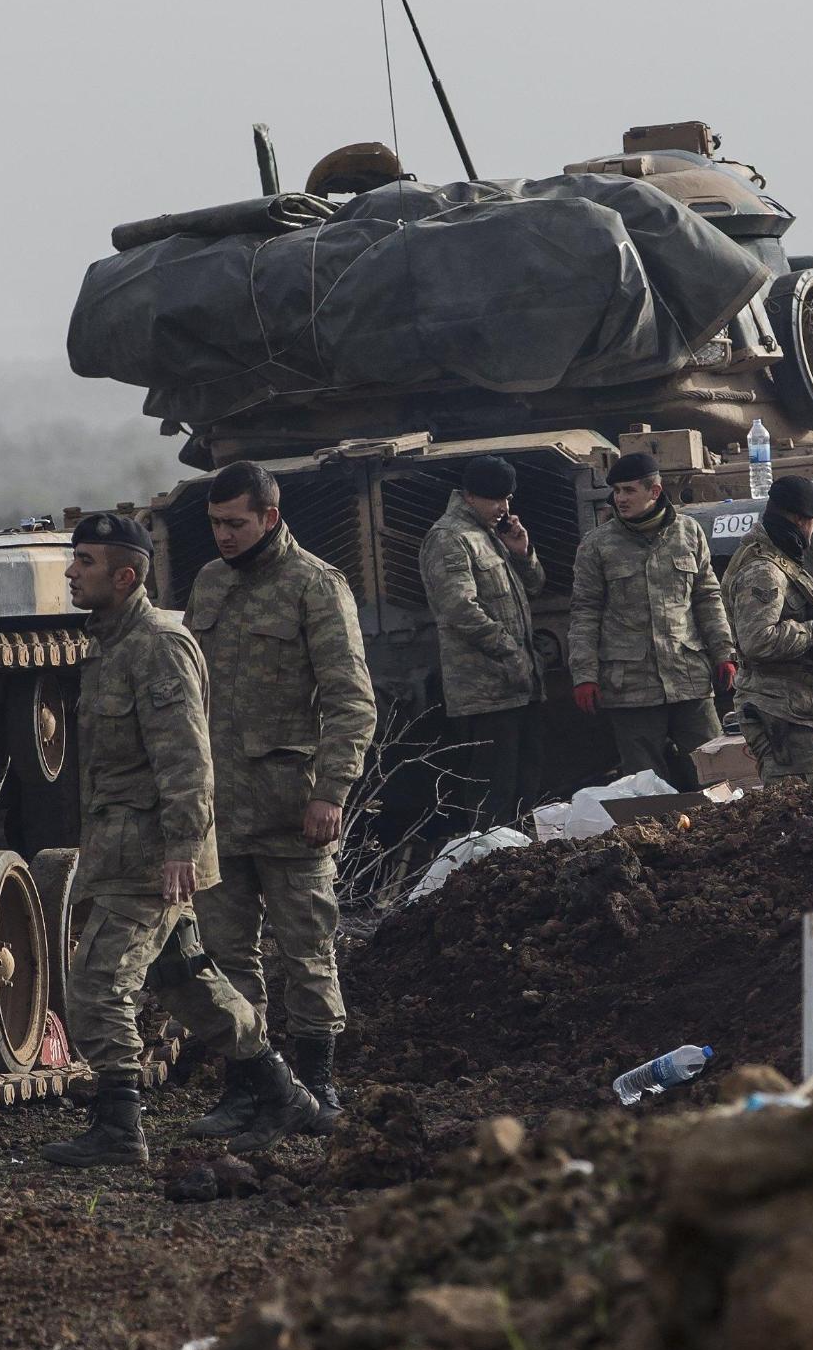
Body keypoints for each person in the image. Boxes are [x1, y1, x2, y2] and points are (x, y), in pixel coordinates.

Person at [42, 511, 321, 1168]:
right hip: (125, 847)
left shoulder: (156, 643)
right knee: (186, 983)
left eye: (84, 561)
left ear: (125, 574)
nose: (70, 572)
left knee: (98, 982)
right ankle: (283, 1093)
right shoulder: (111, 642)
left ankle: (120, 1126)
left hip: (149, 856)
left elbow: (187, 761)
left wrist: (181, 849)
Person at [182, 462, 377, 1136]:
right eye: (215, 523)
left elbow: (351, 700)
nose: (223, 536)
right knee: (229, 958)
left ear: (270, 515)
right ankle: (249, 1086)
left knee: (307, 951)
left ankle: (318, 1083)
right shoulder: (209, 583)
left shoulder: (315, 586)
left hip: (293, 810)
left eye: (235, 522)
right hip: (218, 813)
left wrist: (331, 791)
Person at [568, 451, 737, 780]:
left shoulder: (688, 533)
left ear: (654, 492)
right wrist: (584, 674)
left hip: (688, 676)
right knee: (645, 785)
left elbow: (706, 597)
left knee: (713, 769)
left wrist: (724, 653)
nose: (620, 499)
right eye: (616, 491)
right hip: (631, 685)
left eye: (629, 490)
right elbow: (585, 612)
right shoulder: (597, 545)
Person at [417, 455, 545, 826]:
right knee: (492, 795)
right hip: (485, 693)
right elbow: (459, 610)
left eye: (507, 499)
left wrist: (521, 553)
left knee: (526, 786)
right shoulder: (449, 538)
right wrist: (511, 652)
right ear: (470, 496)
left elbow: (534, 587)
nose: (504, 508)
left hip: (518, 686)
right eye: (495, 499)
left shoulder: (491, 534)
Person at [720, 474, 813, 780]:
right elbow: (758, 640)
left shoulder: (778, 558)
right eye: (812, 522)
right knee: (795, 806)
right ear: (801, 520)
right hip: (777, 709)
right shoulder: (764, 571)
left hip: (791, 705)